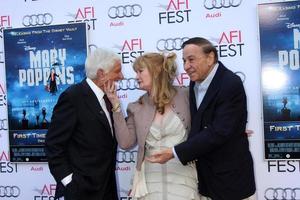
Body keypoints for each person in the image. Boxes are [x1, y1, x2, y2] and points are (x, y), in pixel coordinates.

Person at [147, 37, 256, 200]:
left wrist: (174, 152)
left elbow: (218, 131)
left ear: (210, 58)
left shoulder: (230, 83)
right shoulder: (194, 84)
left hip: (231, 182)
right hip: (205, 180)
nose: (186, 66)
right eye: (184, 61)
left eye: (191, 59)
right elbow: (201, 123)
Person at [105, 52, 200, 200]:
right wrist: (116, 106)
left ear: (156, 71)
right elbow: (125, 143)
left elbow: (210, 125)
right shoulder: (136, 107)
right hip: (150, 183)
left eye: (140, 71)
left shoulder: (187, 95)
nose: (136, 77)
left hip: (182, 179)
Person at [45, 48, 124, 200]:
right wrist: (69, 182)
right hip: (82, 191)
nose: (121, 76)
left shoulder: (108, 98)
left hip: (107, 188)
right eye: (117, 71)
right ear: (101, 74)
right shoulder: (73, 97)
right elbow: (53, 144)